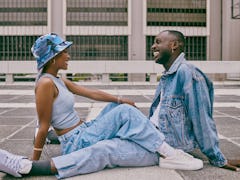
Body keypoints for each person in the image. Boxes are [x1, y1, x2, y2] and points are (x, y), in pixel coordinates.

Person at [0, 33, 203, 179]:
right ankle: (168, 151)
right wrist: (34, 159)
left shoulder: (56, 79)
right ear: (54, 57)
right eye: (65, 52)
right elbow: (43, 125)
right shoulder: (45, 84)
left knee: (119, 109)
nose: (68, 56)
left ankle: (151, 141)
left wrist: (119, 99)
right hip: (77, 141)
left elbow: (90, 93)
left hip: (84, 131)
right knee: (124, 116)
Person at [150, 30, 240, 171]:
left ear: (173, 45)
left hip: (166, 145)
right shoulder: (168, 76)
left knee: (123, 115)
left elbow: (201, 118)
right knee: (120, 111)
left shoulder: (187, 73)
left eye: (158, 42)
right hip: (153, 136)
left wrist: (217, 158)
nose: (153, 46)